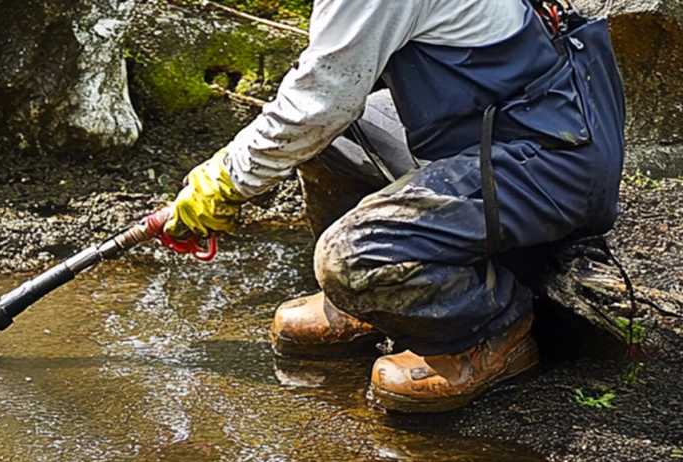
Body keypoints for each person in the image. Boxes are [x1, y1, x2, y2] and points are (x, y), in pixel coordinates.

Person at [165, 0, 625, 412]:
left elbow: (316, 104)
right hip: (495, 129)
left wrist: (224, 182)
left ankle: (489, 331)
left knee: (351, 254)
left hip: (546, 159)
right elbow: (326, 105)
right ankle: (370, 299)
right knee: (331, 139)